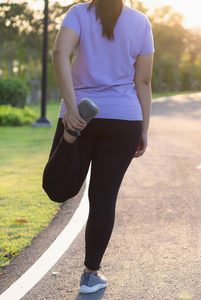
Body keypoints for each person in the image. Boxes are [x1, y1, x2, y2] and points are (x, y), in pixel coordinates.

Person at [42, 0, 154, 294]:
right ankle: (91, 275)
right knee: (104, 198)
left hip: (81, 114)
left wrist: (70, 107)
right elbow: (142, 80)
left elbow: (59, 52)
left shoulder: (78, 13)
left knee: (59, 190)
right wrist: (143, 128)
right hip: (124, 119)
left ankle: (70, 135)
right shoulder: (141, 22)